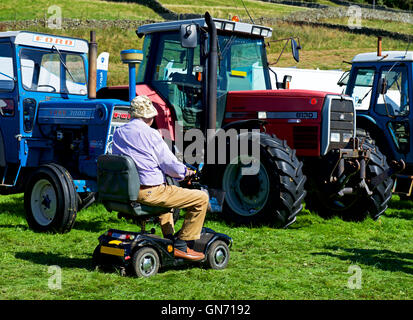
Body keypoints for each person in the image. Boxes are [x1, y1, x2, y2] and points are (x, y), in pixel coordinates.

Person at [112, 95, 209, 261]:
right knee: (201, 198)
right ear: (149, 117)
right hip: (150, 191)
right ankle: (182, 244)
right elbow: (169, 164)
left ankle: (169, 239)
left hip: (126, 191)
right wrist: (186, 173)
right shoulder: (151, 134)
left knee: (168, 201)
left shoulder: (118, 133)